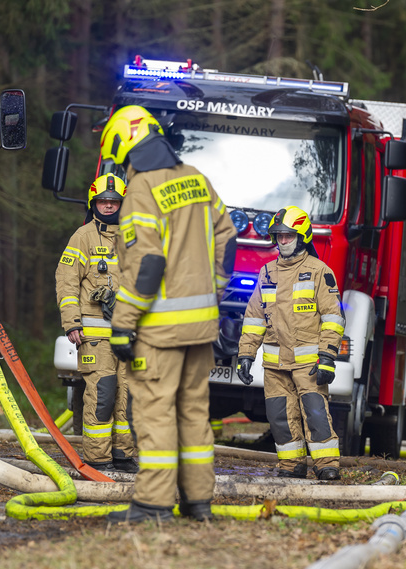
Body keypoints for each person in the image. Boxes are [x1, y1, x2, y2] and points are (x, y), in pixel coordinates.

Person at [103, 105, 237, 523]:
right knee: (195, 412)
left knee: (154, 412)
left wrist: (124, 324)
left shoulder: (142, 189)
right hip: (201, 329)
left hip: (158, 333)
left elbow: (146, 265)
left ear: (125, 145)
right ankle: (198, 503)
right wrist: (210, 289)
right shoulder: (197, 179)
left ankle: (154, 504)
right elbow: (227, 239)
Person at [236, 206, 346, 481]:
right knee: (280, 418)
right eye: (279, 236)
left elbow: (333, 318)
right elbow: (254, 317)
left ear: (302, 236)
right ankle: (291, 466)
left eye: (288, 235)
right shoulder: (267, 272)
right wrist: (246, 355)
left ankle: (327, 465)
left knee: (316, 414)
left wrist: (328, 357)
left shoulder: (319, 271)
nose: (283, 241)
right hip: (275, 365)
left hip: (309, 364)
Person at [55, 173, 137, 473]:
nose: (108, 206)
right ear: (94, 203)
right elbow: (66, 282)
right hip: (95, 336)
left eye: (114, 201)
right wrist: (72, 323)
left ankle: (123, 455)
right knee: (102, 395)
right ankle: (97, 459)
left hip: (130, 336)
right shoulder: (83, 237)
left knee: (128, 399)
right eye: (102, 201)